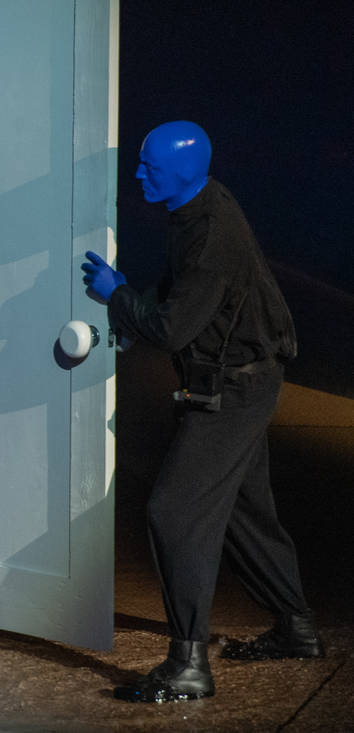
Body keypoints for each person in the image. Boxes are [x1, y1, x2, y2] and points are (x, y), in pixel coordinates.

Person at [82, 120, 323, 703]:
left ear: (184, 171)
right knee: (243, 513)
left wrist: (118, 296)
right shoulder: (193, 209)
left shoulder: (212, 233)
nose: (138, 174)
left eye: (150, 167)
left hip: (235, 391)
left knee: (173, 512)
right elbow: (179, 296)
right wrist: (141, 309)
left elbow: (172, 327)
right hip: (241, 381)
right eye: (141, 163)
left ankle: (188, 664)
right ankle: (296, 629)